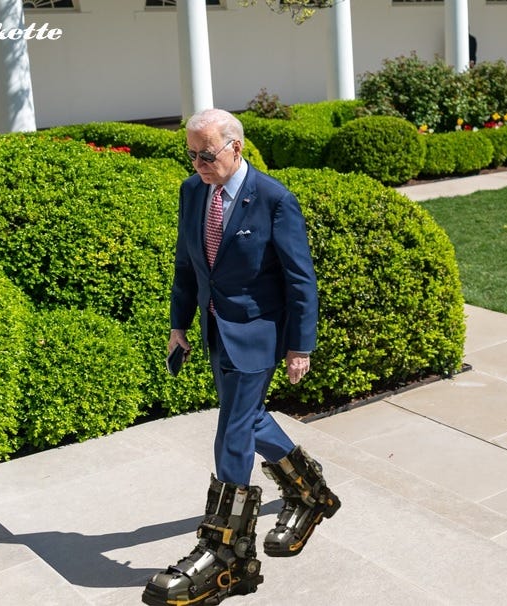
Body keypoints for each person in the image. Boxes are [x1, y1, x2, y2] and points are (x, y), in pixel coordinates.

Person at [142, 108, 341, 606]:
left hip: (258, 332)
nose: (197, 164)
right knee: (248, 420)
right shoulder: (193, 192)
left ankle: (227, 550)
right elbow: (187, 263)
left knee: (231, 428)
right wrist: (178, 325)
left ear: (236, 146)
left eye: (205, 154)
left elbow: (300, 279)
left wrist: (301, 346)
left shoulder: (274, 199)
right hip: (214, 328)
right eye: (190, 154)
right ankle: (309, 491)